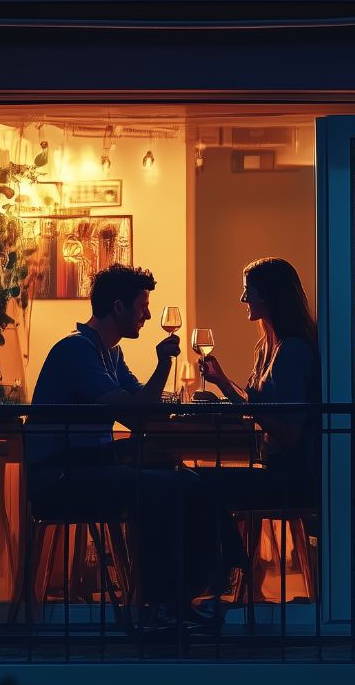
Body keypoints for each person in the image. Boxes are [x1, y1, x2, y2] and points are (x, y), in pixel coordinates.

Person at [26, 263, 226, 629]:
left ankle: (175, 599)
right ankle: (171, 603)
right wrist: (165, 363)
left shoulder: (111, 354)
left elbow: (141, 413)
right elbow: (134, 411)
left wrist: (169, 397)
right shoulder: (77, 350)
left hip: (90, 469)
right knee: (176, 487)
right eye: (143, 305)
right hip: (61, 478)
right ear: (118, 307)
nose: (148, 315)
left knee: (184, 481)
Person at [198, 258, 322, 549]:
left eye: (248, 291)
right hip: (274, 468)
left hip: (292, 478)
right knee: (196, 479)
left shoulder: (292, 350)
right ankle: (225, 567)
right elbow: (257, 406)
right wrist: (224, 383)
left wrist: (242, 403)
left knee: (198, 483)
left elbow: (291, 435)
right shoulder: (267, 346)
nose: (243, 298)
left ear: (267, 295)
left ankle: (224, 567)